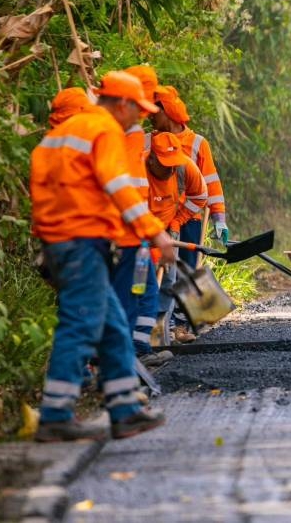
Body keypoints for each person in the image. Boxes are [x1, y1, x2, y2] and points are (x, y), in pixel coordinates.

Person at [30, 71, 174, 442]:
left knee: (111, 327)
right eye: (138, 110)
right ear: (122, 104)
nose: (140, 118)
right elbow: (118, 187)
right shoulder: (103, 129)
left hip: (61, 242)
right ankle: (55, 415)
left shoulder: (63, 132)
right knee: (81, 323)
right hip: (82, 242)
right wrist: (155, 232)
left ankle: (125, 410)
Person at [109, 67, 171, 369]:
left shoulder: (127, 134)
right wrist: (154, 233)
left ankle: (134, 351)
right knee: (136, 293)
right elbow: (126, 191)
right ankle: (130, 353)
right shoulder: (120, 136)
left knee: (140, 291)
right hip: (127, 236)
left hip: (133, 234)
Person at [151, 86, 229, 268]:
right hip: (159, 220)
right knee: (161, 273)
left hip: (189, 219)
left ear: (167, 110)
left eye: (155, 111)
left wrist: (219, 220)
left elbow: (211, 184)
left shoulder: (198, 143)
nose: (149, 116)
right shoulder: (150, 142)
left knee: (186, 274)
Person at [146, 131, 208, 344]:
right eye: (165, 164)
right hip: (140, 233)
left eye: (173, 163)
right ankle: (139, 330)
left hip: (167, 232)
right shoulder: (138, 171)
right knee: (142, 281)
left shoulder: (184, 167)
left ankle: (163, 328)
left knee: (169, 280)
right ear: (151, 158)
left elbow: (200, 196)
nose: (170, 169)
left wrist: (177, 221)